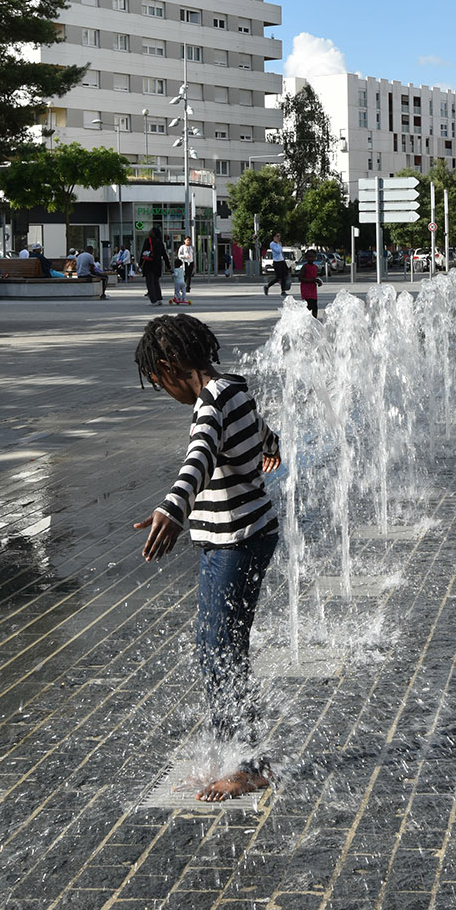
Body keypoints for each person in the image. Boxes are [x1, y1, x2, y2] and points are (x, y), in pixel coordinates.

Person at [132, 314, 282, 803]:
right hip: (240, 537)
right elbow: (261, 431)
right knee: (216, 648)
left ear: (169, 366)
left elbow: (197, 459)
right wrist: (270, 447)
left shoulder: (210, 406)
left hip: (237, 541)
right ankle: (237, 753)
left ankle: (248, 765)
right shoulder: (233, 389)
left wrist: (172, 509)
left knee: (221, 653)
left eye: (159, 382)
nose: (164, 390)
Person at [140, 225, 167, 305]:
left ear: (154, 233)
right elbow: (164, 254)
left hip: (149, 264)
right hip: (158, 265)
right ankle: (159, 298)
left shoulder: (148, 241)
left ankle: (153, 300)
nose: (149, 232)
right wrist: (168, 266)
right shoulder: (160, 242)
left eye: (151, 231)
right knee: (156, 282)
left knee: (150, 282)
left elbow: (143, 252)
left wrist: (141, 263)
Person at [298, 249, 321, 317]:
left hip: (313, 290)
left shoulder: (315, 267)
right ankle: (306, 318)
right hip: (306, 290)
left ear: (315, 257)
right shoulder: (305, 267)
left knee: (315, 306)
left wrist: (318, 281)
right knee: (308, 306)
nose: (310, 258)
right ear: (306, 258)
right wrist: (312, 280)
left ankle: (314, 319)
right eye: (309, 257)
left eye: (312, 257)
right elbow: (300, 278)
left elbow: (315, 277)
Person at [174, 235, 194, 304]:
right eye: (187, 240)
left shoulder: (191, 247)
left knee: (189, 275)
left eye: (189, 240)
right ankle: (182, 287)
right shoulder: (182, 247)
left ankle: (188, 287)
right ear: (184, 240)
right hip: (184, 262)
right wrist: (185, 256)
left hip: (190, 262)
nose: (188, 241)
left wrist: (193, 262)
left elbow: (193, 255)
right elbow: (179, 255)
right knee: (185, 275)